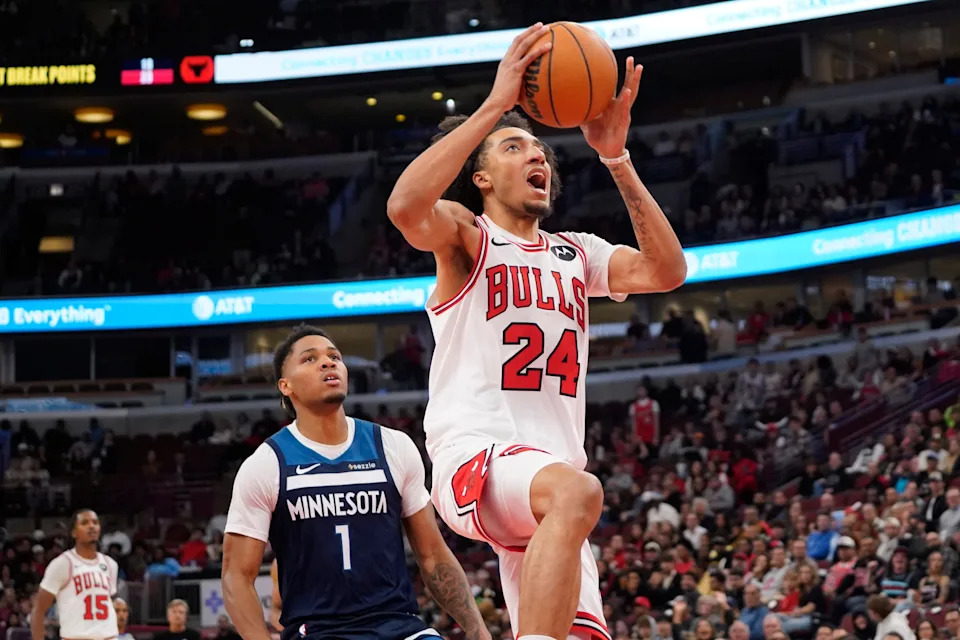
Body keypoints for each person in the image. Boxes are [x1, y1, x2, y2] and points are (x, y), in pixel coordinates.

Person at [387, 24, 686, 640]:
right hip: (480, 457)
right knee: (580, 492)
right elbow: (405, 208)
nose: (537, 157)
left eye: (540, 150)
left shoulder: (577, 254)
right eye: (515, 148)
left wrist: (616, 158)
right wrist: (496, 105)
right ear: (482, 178)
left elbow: (666, 270)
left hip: (551, 499)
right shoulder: (469, 238)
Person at [222, 325, 488, 640]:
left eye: (334, 356)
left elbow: (432, 555)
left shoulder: (393, 446)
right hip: (319, 632)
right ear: (285, 385)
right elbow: (236, 576)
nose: (327, 362)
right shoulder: (266, 464)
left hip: (400, 627)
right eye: (310, 359)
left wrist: (476, 629)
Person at [31, 509, 120, 640]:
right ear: (74, 532)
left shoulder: (111, 564)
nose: (91, 526)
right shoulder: (62, 563)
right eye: (85, 523)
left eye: (95, 522)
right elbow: (39, 610)